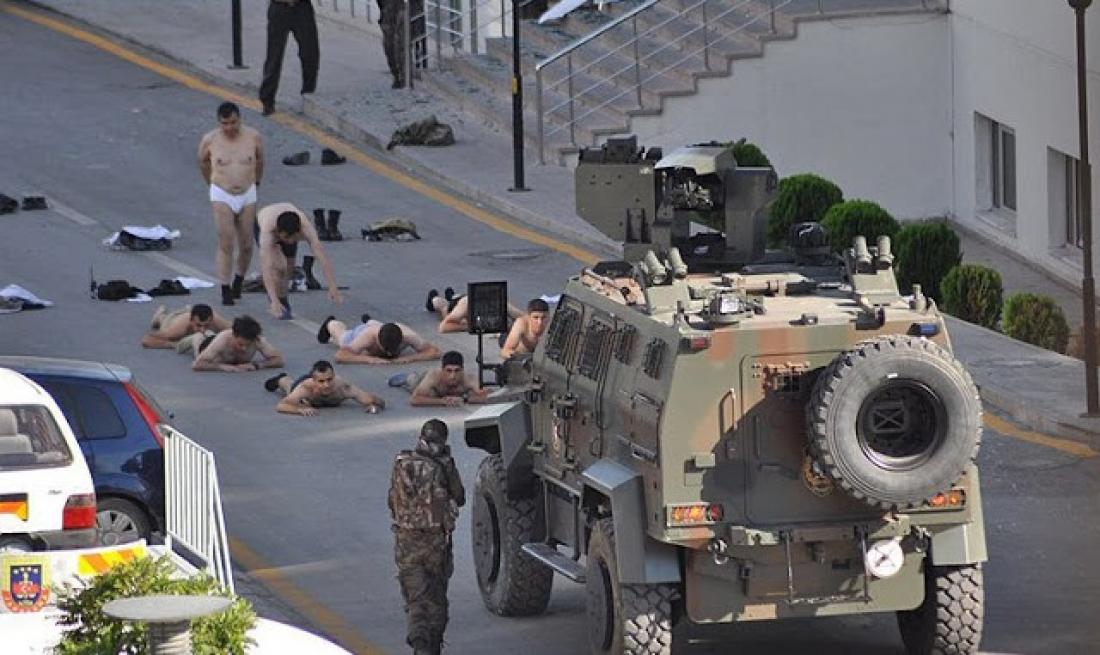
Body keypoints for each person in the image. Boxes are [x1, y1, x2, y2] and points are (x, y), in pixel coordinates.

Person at [387, 419, 464, 655]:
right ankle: (430, 645)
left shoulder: (401, 462)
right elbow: (459, 496)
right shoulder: (443, 465)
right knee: (436, 597)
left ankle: (420, 643)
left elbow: (392, 501)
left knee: (416, 598)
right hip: (435, 544)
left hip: (406, 542)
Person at [198, 102, 265, 306]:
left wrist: (256, 182)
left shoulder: (253, 137)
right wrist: (212, 183)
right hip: (222, 193)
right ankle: (225, 287)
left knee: (246, 244)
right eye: (225, 124)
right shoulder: (210, 140)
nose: (229, 127)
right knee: (226, 242)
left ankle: (238, 279)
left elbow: (260, 160)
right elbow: (203, 162)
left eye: (233, 123)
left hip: (247, 192)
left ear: (239, 119)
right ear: (219, 123)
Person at [256, 202, 342, 320]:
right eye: (286, 238)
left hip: (289, 221)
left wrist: (332, 286)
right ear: (278, 232)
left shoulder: (306, 228)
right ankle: (277, 301)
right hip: (264, 220)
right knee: (278, 267)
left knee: (289, 269)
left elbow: (322, 257)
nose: (290, 241)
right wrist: (273, 301)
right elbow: (266, 268)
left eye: (293, 238)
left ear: (298, 231)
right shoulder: (267, 232)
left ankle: (283, 298)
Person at [259, 0, 320, 116]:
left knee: (310, 52)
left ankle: (308, 92)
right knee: (274, 56)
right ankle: (267, 100)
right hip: (279, 7)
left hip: (302, 7)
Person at [264, 360, 385, 415]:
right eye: (321, 381)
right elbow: (281, 405)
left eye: (329, 379)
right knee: (289, 386)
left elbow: (376, 400)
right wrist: (299, 410)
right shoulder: (305, 388)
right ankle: (281, 378)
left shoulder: (343, 387)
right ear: (314, 380)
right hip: (303, 391)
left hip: (315, 394)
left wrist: (373, 405)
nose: (326, 385)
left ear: (334, 376)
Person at [317, 315, 441, 365]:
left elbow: (435, 351)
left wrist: (410, 358)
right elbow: (341, 355)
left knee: (376, 325)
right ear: (378, 341)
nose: (389, 355)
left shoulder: (408, 335)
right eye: (386, 350)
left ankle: (370, 320)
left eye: (393, 350)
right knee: (342, 338)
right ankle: (331, 323)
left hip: (381, 327)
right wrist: (370, 359)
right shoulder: (368, 336)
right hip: (363, 332)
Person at [390, 351, 490, 407]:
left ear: (462, 370)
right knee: (415, 382)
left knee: (471, 393)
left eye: (457, 371)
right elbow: (414, 399)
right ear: (442, 370)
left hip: (448, 394)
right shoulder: (434, 376)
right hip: (421, 381)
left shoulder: (469, 379)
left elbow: (490, 397)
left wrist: (465, 399)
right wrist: (442, 402)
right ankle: (407, 377)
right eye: (448, 371)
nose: (453, 376)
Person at [191, 316, 285, 372]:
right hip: (204, 344)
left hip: (214, 340)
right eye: (240, 344)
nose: (244, 349)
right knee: (198, 337)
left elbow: (279, 360)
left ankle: (208, 334)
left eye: (248, 345)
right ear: (233, 335)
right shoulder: (223, 339)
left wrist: (258, 365)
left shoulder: (258, 340)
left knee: (209, 334)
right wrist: (222, 367)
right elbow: (197, 364)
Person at [425, 288, 522, 334]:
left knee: (456, 298)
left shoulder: (501, 303)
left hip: (464, 300)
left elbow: (522, 316)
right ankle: (433, 297)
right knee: (442, 305)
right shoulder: (466, 304)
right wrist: (471, 327)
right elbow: (443, 327)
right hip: (457, 305)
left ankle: (451, 295)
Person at [141, 304, 231, 349]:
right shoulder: (179, 329)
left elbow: (235, 329)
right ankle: (160, 316)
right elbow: (146, 340)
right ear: (191, 321)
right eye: (198, 325)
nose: (203, 330)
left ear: (211, 320)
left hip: (188, 313)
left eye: (206, 325)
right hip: (173, 320)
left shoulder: (216, 320)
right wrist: (174, 344)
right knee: (162, 323)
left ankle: (187, 309)